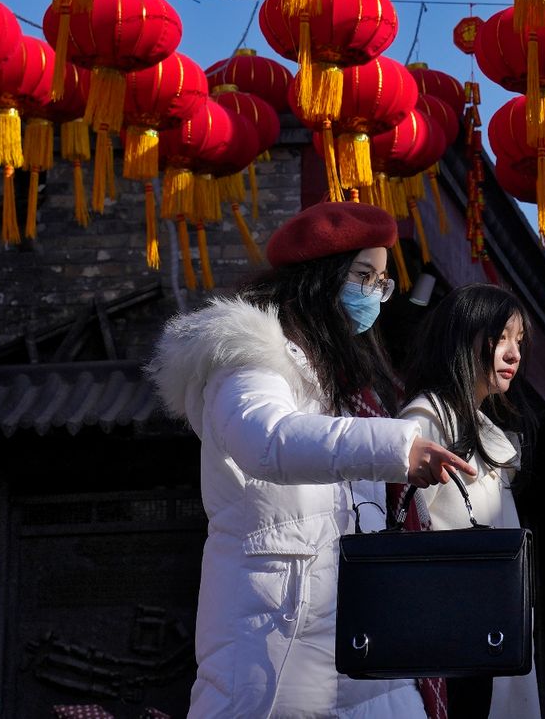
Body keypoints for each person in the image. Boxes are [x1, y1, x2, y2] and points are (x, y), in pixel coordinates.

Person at [148, 200, 470, 719]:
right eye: (363, 275)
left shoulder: (348, 389)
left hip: (361, 647)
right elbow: (268, 440)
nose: (373, 294)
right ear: (320, 278)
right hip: (275, 640)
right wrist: (394, 447)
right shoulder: (250, 358)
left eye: (382, 282)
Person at [400, 283, 540, 719]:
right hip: (451, 631)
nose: (514, 354)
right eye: (500, 339)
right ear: (464, 338)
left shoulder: (475, 426)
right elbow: (407, 530)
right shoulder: (426, 421)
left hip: (485, 627)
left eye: (518, 342)